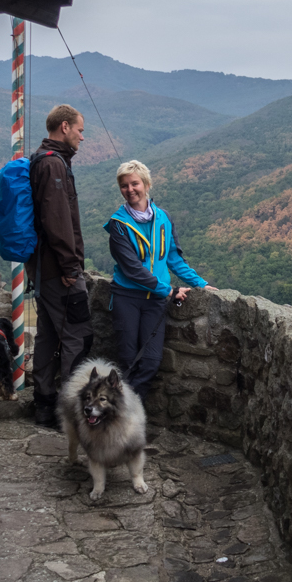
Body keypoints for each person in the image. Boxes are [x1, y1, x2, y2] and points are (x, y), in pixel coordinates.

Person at [104, 159, 216, 401]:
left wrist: (201, 284)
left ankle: (123, 410)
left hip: (155, 301)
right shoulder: (118, 225)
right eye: (124, 185)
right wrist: (168, 290)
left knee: (152, 361)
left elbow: (173, 257)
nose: (130, 189)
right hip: (127, 298)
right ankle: (126, 416)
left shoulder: (163, 218)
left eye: (135, 184)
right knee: (128, 359)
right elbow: (132, 269)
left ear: (147, 184)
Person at [28, 104, 93, 428]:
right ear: (65, 127)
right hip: (58, 269)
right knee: (76, 335)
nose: (83, 136)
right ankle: (71, 410)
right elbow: (57, 222)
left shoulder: (43, 159)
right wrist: (71, 268)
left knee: (49, 336)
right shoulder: (53, 165)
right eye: (80, 130)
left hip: (42, 268)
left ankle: (44, 403)